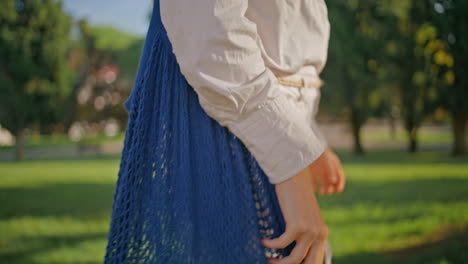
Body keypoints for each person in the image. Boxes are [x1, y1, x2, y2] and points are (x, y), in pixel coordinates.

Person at [104, 0, 346, 263]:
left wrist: (308, 141)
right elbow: (213, 34)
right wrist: (290, 161)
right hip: (233, 137)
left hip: (271, 137)